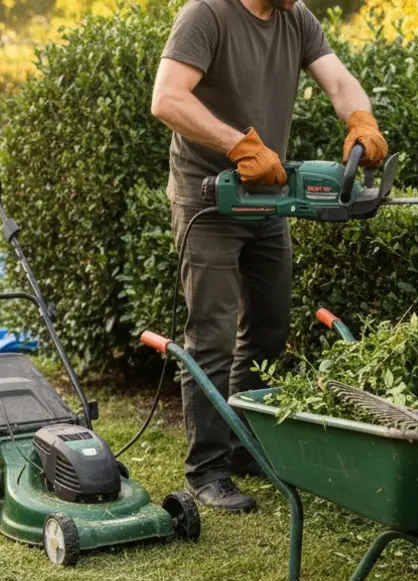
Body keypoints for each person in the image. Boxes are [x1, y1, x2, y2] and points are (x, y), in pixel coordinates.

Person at [150, 0, 388, 511]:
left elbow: (338, 81)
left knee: (268, 327)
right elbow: (167, 98)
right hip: (210, 197)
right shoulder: (206, 14)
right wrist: (238, 145)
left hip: (268, 195)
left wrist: (360, 119)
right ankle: (207, 470)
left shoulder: (294, 16)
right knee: (211, 337)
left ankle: (245, 448)